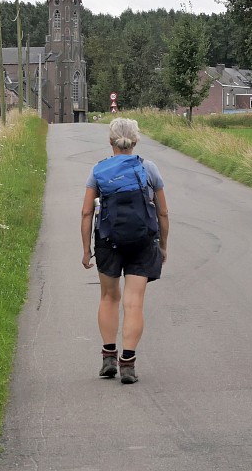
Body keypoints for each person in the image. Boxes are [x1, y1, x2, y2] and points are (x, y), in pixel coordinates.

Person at [80, 117, 169, 384]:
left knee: (109, 297)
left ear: (111, 141)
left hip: (108, 242)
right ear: (135, 141)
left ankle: (108, 358)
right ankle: (127, 365)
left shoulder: (98, 170)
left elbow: (86, 213)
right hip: (143, 242)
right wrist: (163, 245)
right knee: (134, 302)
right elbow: (163, 213)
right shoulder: (149, 168)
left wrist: (86, 250)